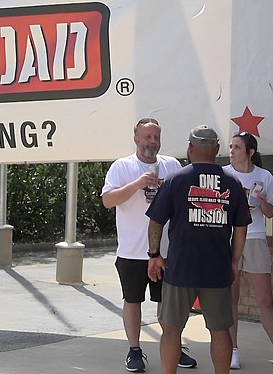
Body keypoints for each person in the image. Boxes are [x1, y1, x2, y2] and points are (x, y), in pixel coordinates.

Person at [146, 125, 251, 374]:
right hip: (217, 268)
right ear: (216, 150)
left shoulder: (175, 180)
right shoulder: (232, 182)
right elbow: (241, 228)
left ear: (190, 148)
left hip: (180, 268)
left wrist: (154, 255)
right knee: (220, 329)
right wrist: (234, 261)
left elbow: (156, 221)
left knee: (171, 328)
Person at [102, 118, 198, 372]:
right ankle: (135, 351)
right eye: (147, 137)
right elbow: (108, 200)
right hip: (133, 251)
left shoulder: (172, 165)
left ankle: (173, 348)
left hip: (167, 251)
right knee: (133, 300)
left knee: (168, 303)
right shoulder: (122, 166)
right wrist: (137, 184)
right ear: (136, 139)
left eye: (156, 137)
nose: (152, 142)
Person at [222, 132, 273, 372]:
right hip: (229, 239)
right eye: (231, 147)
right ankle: (232, 350)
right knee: (231, 298)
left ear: (250, 151)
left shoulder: (264, 176)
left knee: (265, 300)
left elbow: (270, 212)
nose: (232, 151)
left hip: (256, 238)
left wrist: (260, 201)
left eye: (237, 147)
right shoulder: (225, 174)